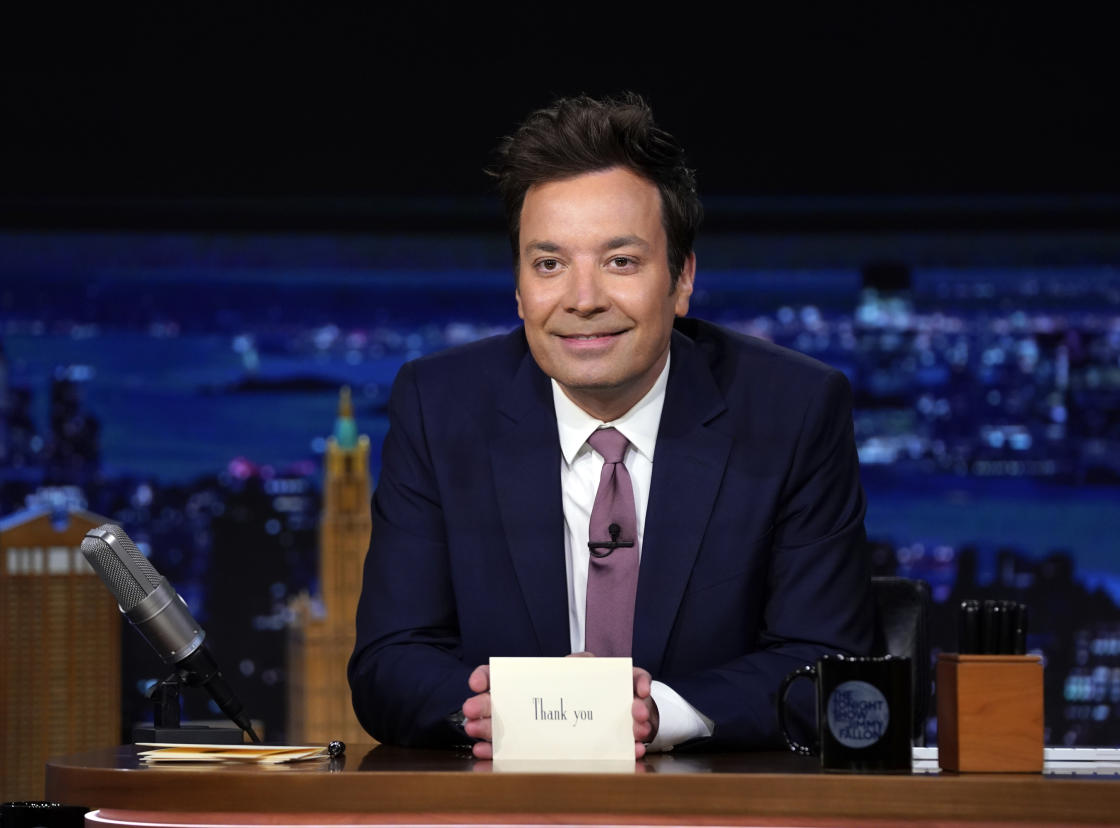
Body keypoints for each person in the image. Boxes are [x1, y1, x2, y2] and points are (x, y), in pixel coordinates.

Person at [349, 93, 874, 756]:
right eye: (549, 265)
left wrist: (661, 714)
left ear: (681, 280)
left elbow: (827, 662)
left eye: (620, 262)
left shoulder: (793, 411)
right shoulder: (439, 405)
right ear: (518, 289)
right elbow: (389, 662)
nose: (583, 299)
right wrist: (490, 712)